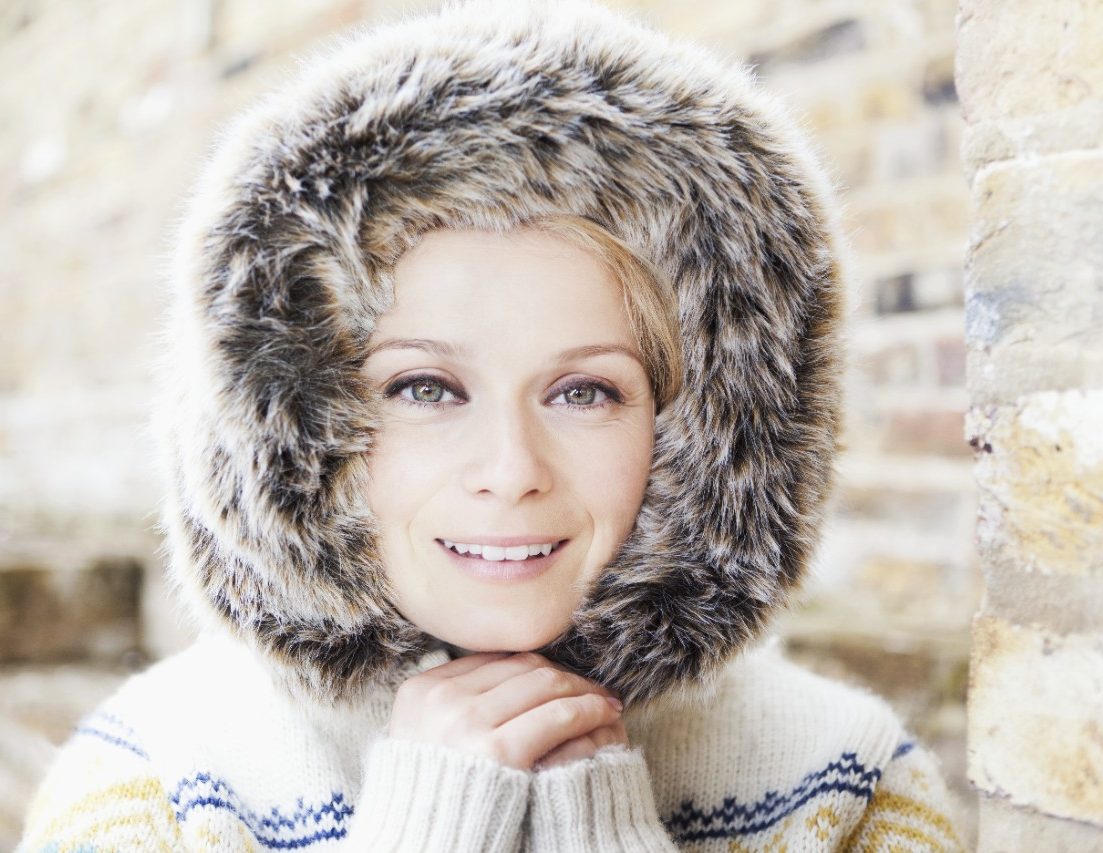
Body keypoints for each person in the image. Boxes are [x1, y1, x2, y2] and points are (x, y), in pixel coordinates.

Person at [18, 0, 965, 850]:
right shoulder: (149, 785)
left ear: (702, 432)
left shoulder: (849, 786)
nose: (511, 471)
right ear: (290, 420)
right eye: (425, 388)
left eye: (585, 392)